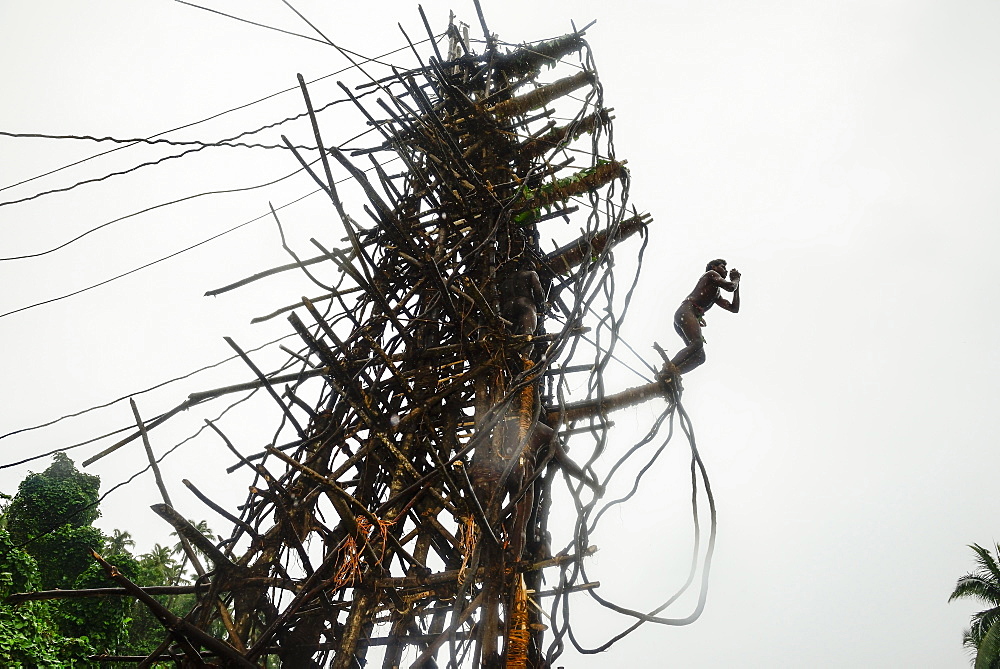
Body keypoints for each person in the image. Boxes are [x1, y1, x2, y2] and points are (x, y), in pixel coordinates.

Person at [666, 259, 740, 375]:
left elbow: (734, 308)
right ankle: (667, 369)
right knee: (697, 343)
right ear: (714, 267)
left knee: (700, 357)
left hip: (685, 316)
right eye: (722, 267)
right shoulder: (711, 275)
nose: (725, 270)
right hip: (686, 311)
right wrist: (736, 280)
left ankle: (672, 375)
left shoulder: (716, 293)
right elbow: (730, 287)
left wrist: (737, 285)